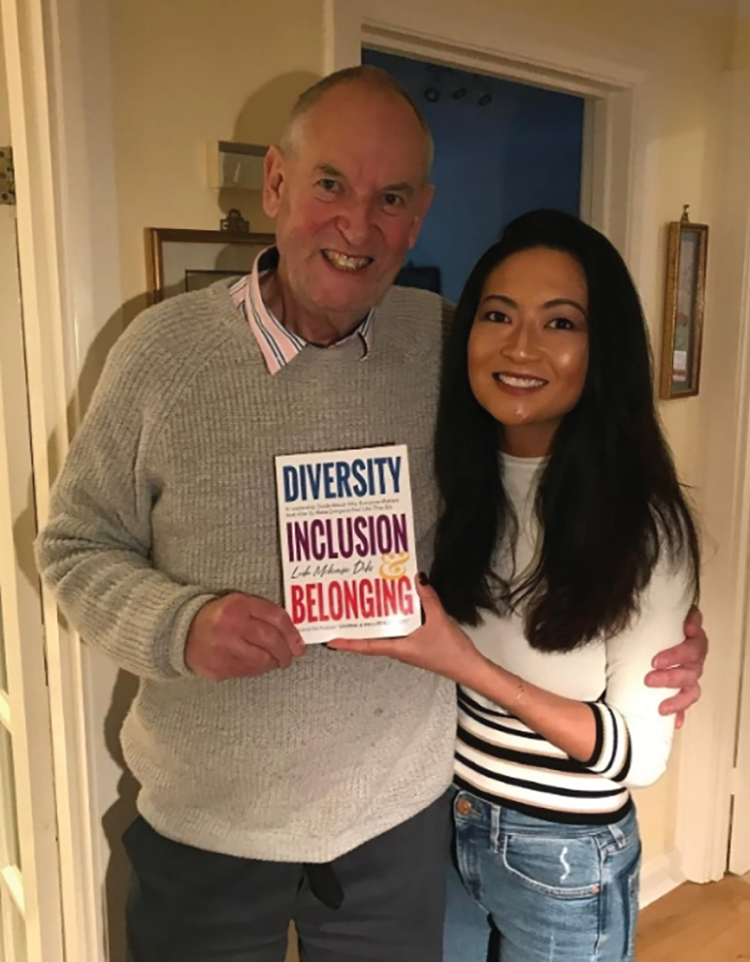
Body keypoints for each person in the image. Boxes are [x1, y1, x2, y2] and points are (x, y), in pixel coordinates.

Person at [35, 68, 706, 962]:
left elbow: (539, 482)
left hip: (402, 830)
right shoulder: (160, 354)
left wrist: (643, 603)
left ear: (419, 214)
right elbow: (75, 546)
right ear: (275, 182)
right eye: (330, 185)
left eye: (390, 197)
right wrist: (178, 624)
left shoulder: (448, 343)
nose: (358, 225)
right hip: (207, 827)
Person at [329, 209, 702, 961]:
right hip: (441, 819)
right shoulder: (446, 480)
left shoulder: (641, 521)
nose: (521, 345)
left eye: (560, 323)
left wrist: (460, 663)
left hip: (562, 853)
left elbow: (638, 756)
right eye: (498, 315)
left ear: (604, 351)